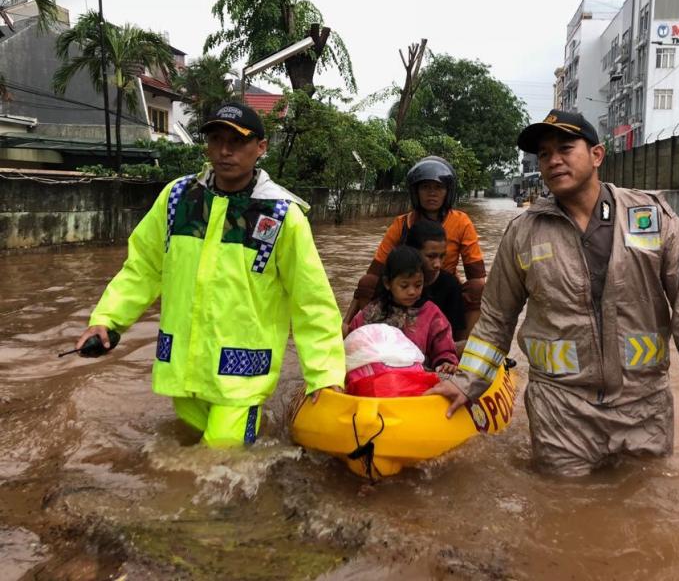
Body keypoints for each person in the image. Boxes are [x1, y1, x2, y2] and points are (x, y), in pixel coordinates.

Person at [429, 109, 679, 476]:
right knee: (562, 512)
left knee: (645, 511)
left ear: (597, 155)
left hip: (644, 407)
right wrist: (466, 383)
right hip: (560, 411)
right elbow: (496, 319)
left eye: (565, 148)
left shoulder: (652, 218)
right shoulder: (523, 233)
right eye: (544, 154)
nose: (553, 160)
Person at [73, 102, 345, 448]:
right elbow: (143, 268)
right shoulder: (177, 199)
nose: (224, 150)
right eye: (216, 139)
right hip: (183, 370)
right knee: (186, 457)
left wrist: (325, 375)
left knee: (220, 463)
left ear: (261, 148)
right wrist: (107, 321)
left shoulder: (281, 216)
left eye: (237, 141)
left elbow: (312, 300)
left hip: (241, 375)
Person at [343, 156, 486, 335]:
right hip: (406, 285)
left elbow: (477, 276)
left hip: (444, 288)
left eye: (438, 187)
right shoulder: (401, 223)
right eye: (425, 187)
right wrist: (346, 322)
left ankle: (463, 344)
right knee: (368, 282)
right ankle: (366, 335)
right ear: (416, 192)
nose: (432, 193)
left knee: (478, 287)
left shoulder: (461, 222)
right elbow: (375, 272)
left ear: (447, 191)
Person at [348, 246, 458, 374]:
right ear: (387, 283)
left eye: (418, 285)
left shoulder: (432, 314)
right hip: (375, 378)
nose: (412, 292)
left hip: (419, 377)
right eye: (404, 286)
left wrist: (445, 364)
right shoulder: (370, 313)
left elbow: (444, 349)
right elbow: (352, 344)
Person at [404, 218, 467, 344]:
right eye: (431, 256)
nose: (437, 264)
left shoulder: (451, 285)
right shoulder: (393, 278)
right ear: (412, 252)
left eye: (442, 256)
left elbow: (455, 335)